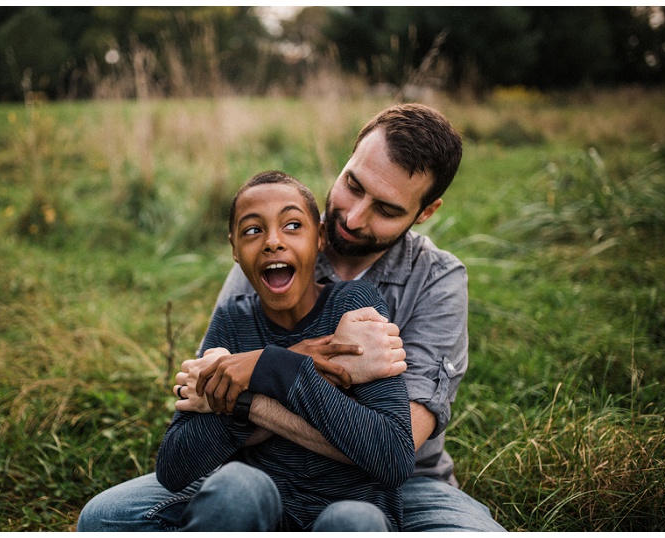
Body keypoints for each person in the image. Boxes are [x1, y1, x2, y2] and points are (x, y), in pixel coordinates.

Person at [77, 103, 506, 532]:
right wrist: (295, 364)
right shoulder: (271, 252)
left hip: (401, 483)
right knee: (105, 517)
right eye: (352, 185)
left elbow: (395, 448)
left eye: (387, 210)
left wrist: (258, 381)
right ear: (346, 162)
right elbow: (207, 396)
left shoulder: (437, 279)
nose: (354, 217)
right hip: (257, 468)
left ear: (424, 212)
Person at [155, 170, 414, 531]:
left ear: (320, 238)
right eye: (252, 230)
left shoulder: (353, 306)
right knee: (235, 487)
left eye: (292, 225)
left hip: (352, 508)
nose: (272, 242)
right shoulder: (233, 321)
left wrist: (265, 369)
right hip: (262, 510)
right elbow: (173, 468)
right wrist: (285, 368)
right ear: (234, 249)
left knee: (353, 520)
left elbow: (394, 457)